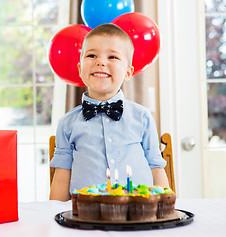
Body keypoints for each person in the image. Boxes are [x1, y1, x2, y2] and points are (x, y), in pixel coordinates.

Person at [49, 23, 169, 201]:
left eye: (112, 57)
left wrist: (166, 208)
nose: (101, 62)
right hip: (85, 214)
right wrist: (54, 216)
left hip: (137, 212)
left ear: (128, 73)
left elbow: (156, 167)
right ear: (80, 69)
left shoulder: (142, 117)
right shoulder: (67, 123)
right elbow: (61, 179)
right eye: (91, 55)